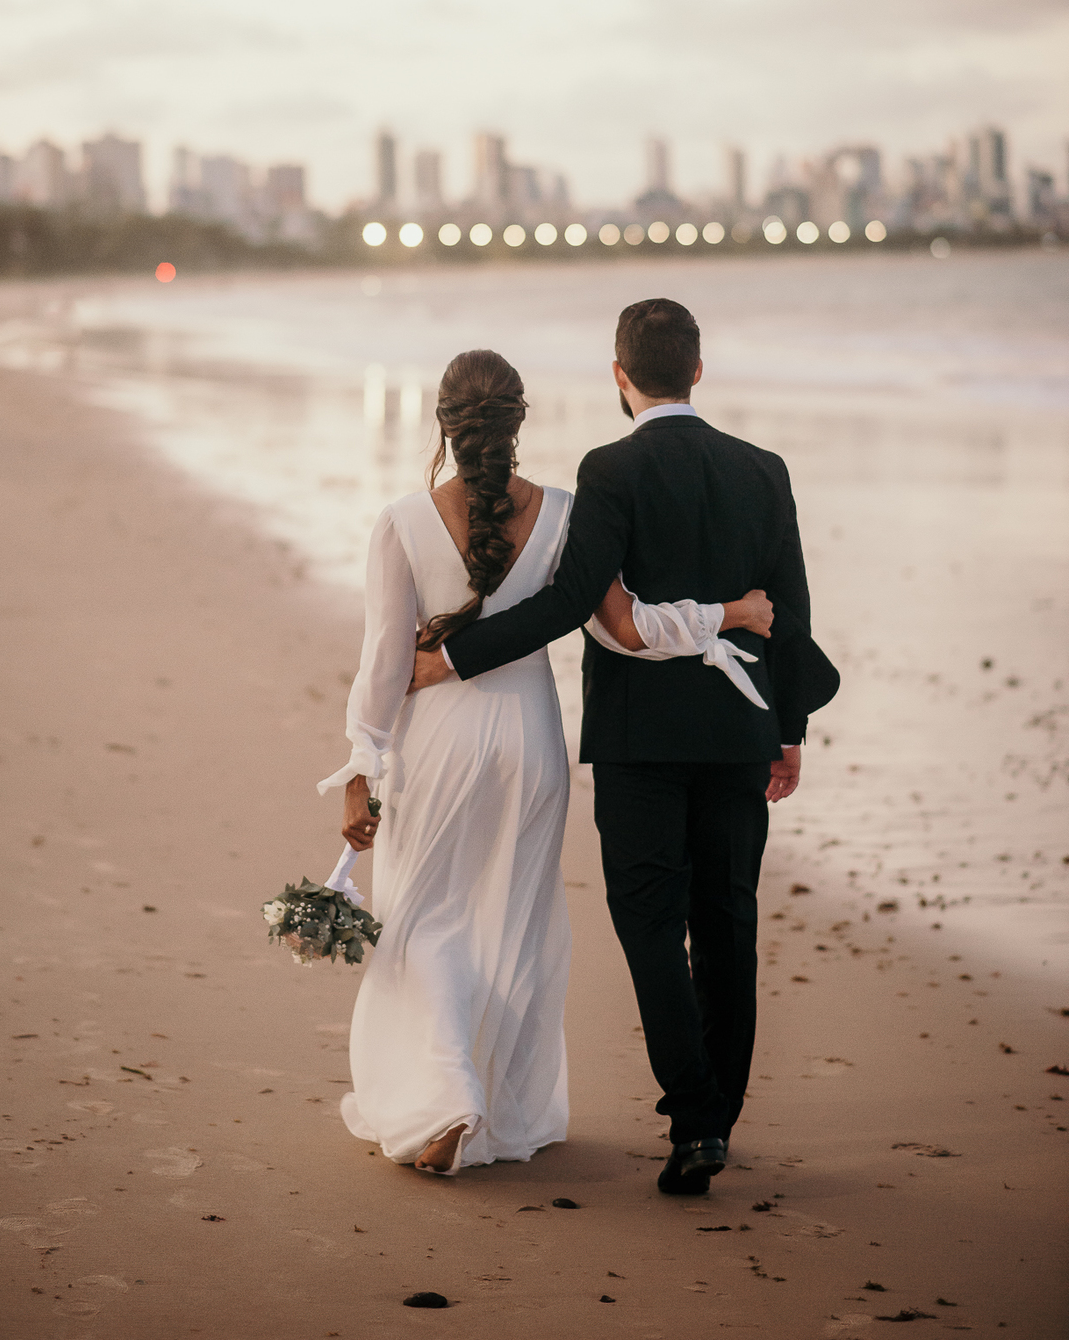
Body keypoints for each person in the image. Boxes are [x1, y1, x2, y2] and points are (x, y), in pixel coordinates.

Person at [409, 300, 837, 1195]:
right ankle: (714, 1118)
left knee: (649, 925)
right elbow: (789, 607)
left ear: (620, 374)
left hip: (642, 745)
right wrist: (787, 731)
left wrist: (450, 655)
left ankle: (691, 1116)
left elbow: (571, 603)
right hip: (739, 731)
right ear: (698, 368)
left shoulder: (610, 468)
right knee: (727, 922)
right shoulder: (764, 469)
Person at [318, 347, 773, 1176]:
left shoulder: (401, 522)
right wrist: (728, 615)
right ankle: (490, 1100)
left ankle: (446, 1094)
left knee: (427, 920)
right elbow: (627, 629)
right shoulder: (566, 514)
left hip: (440, 743)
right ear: (518, 423)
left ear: (444, 425)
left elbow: (385, 663)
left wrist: (360, 765)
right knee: (510, 924)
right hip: (531, 744)